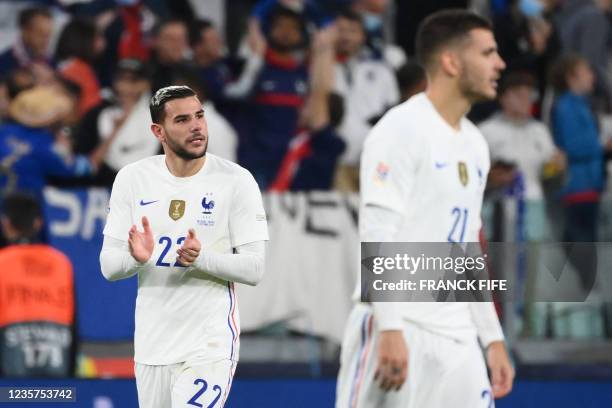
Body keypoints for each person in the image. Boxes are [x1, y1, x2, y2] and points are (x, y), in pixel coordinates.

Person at [335, 10, 514, 408]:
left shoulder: (475, 143)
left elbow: (467, 248)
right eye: (488, 53)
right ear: (451, 62)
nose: (500, 63)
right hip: (399, 326)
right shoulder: (400, 129)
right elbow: (378, 231)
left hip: (457, 335)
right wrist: (391, 327)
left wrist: (492, 337)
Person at [99, 85, 268, 407]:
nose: (196, 126)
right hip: (152, 345)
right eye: (183, 120)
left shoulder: (236, 180)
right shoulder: (132, 178)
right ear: (158, 131)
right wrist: (136, 259)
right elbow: (109, 266)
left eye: (200, 116)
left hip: (209, 344)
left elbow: (255, 268)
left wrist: (201, 258)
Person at [0, 193, 75, 377]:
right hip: (58, 373)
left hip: (11, 373)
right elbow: (74, 324)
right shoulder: (61, 262)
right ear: (38, 223)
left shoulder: (2, 262)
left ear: (6, 224)